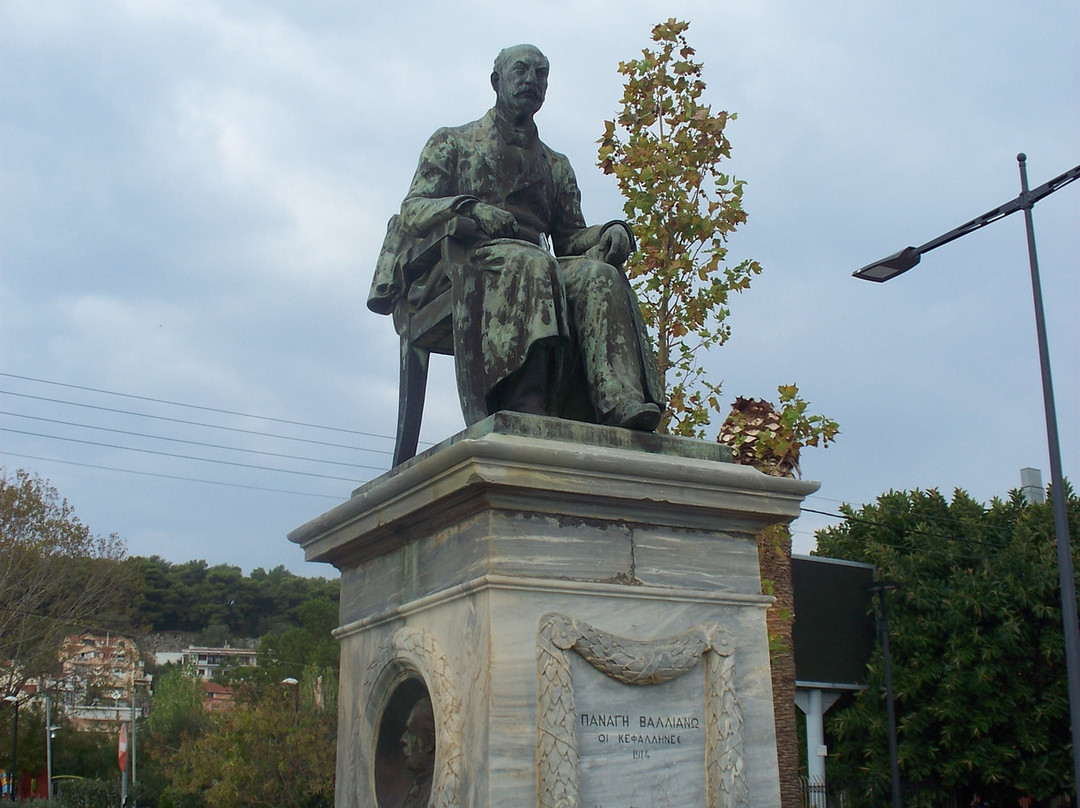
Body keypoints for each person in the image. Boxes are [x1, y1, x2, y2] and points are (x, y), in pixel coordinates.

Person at [369, 44, 663, 431]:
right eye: (521, 71)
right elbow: (414, 208)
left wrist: (611, 232)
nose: (531, 81)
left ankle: (616, 401)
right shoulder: (454, 142)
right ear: (496, 81)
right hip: (464, 260)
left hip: (534, 265)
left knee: (598, 275)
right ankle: (524, 398)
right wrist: (469, 209)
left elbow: (571, 237)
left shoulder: (556, 165)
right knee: (532, 262)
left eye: (541, 74)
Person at [395, 697, 435, 808]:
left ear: (429, 743)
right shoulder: (406, 795)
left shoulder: (437, 789)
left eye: (410, 732)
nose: (403, 740)